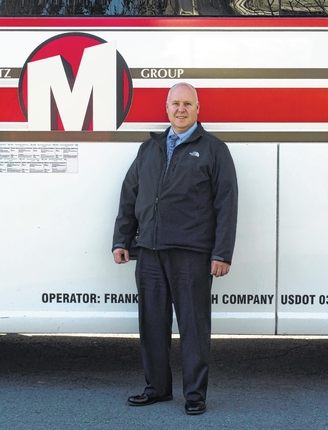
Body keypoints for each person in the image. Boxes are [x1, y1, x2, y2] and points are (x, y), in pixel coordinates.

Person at [112, 82, 238, 415]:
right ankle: (157, 389)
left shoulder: (213, 149)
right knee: (152, 323)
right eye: (175, 104)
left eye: (187, 104)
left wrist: (221, 253)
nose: (180, 109)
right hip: (150, 250)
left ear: (198, 109)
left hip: (192, 252)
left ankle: (195, 395)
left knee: (194, 326)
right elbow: (130, 196)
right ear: (166, 108)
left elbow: (227, 204)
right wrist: (122, 240)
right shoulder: (149, 149)